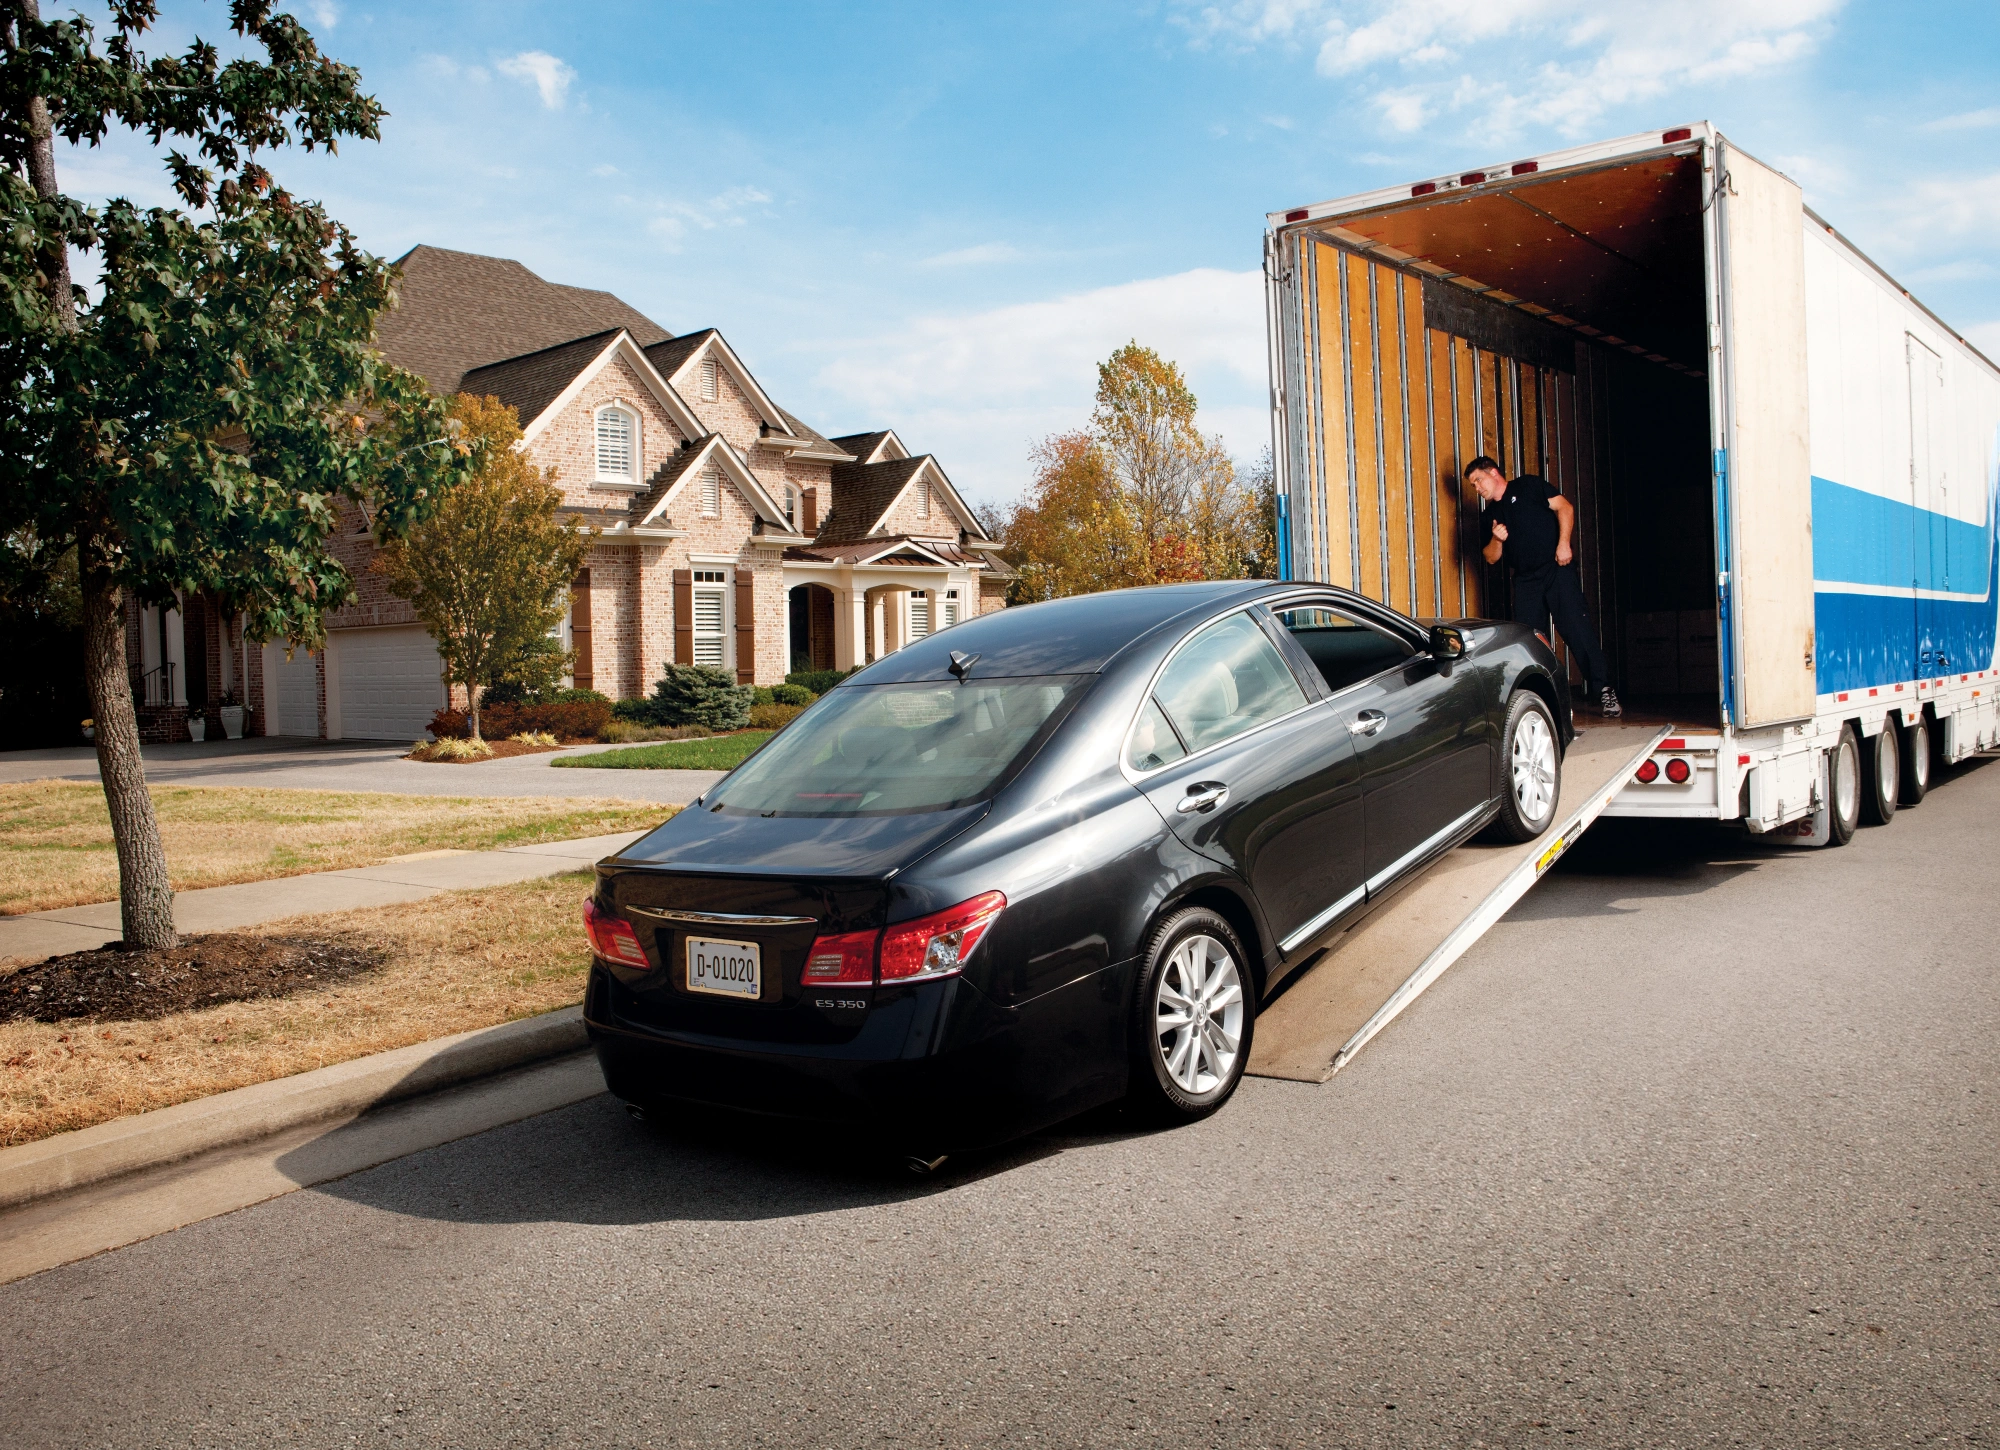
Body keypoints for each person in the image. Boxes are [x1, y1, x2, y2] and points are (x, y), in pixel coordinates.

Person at [1468, 456, 1621, 718]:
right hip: (1526, 581)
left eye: (1478, 480)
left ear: (1493, 473)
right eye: (1472, 485)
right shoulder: (1489, 516)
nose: (1477, 488)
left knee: (1577, 628)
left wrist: (1564, 544)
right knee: (1531, 642)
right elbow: (1491, 557)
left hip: (1555, 570)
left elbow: (1565, 508)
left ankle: (1604, 689)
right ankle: (1545, 699)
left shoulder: (1528, 486)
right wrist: (1497, 540)